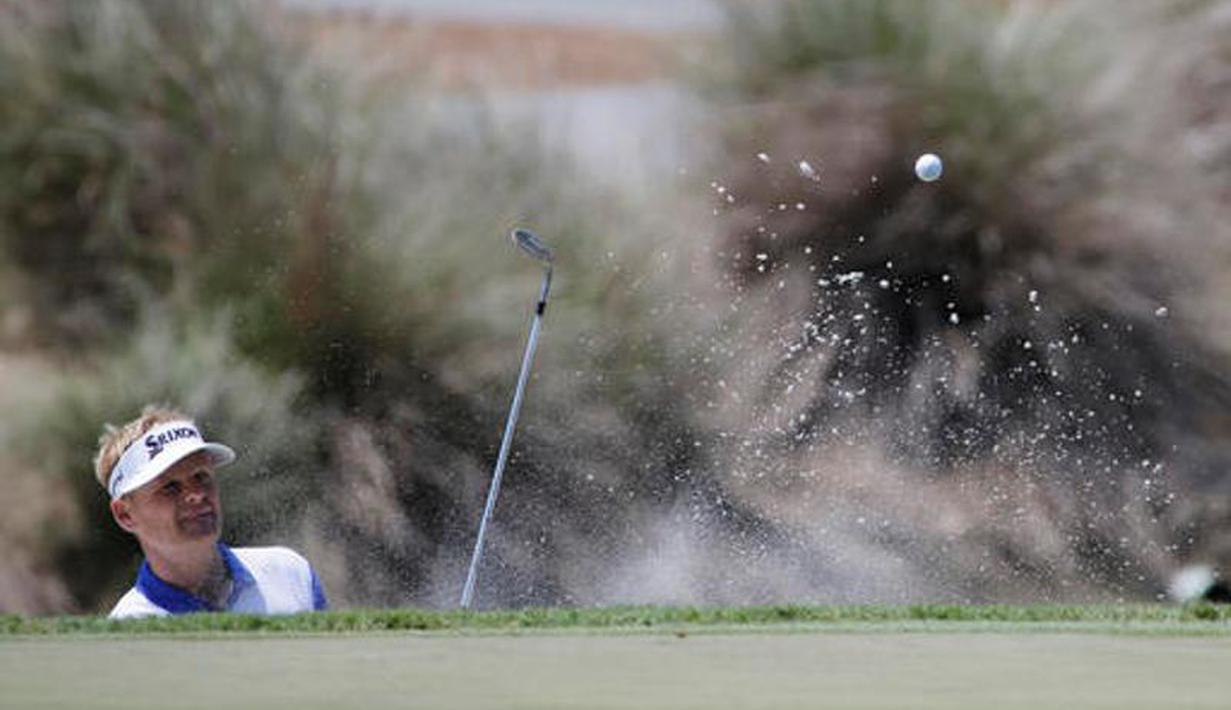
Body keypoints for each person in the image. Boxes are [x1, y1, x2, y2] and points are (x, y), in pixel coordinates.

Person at [94, 405, 327, 618]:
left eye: (201, 477)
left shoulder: (290, 574)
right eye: (170, 487)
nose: (195, 494)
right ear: (125, 514)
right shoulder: (129, 627)